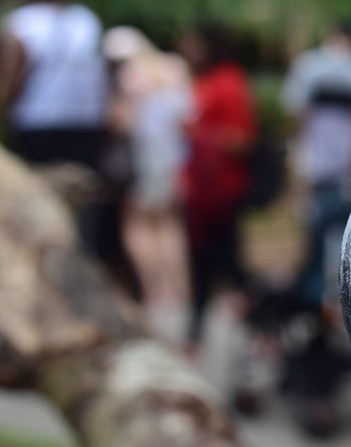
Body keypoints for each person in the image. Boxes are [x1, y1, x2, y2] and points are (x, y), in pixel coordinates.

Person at [0, 0, 111, 249]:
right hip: (86, 122)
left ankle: (50, 258)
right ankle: (84, 254)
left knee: (40, 196)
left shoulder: (20, 24)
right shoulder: (86, 21)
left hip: (37, 124)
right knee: (83, 198)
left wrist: (0, 113)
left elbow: (9, 81)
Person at [104, 26, 194, 342]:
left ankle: (154, 291)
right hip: (172, 161)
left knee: (138, 225)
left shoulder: (127, 79)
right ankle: (179, 291)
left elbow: (122, 124)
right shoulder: (173, 68)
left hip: (140, 161)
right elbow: (187, 118)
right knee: (170, 225)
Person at [282, 20, 351, 309]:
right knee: (349, 235)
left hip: (318, 164)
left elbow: (297, 113)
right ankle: (343, 296)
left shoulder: (309, 66)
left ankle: (315, 296)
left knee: (316, 234)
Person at [177, 22, 257, 346]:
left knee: (222, 258)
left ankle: (253, 327)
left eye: (192, 43)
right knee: (203, 257)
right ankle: (199, 327)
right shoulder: (202, 81)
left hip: (221, 189)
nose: (185, 49)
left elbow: (244, 140)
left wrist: (199, 133)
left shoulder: (227, 82)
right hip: (200, 188)